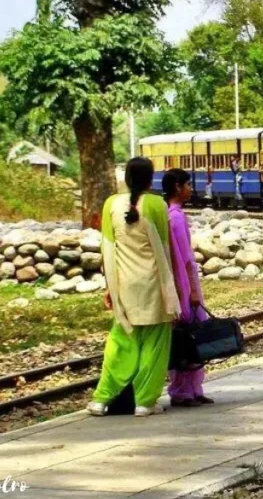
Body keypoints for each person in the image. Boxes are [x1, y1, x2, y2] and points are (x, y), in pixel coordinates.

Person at [88, 157, 180, 417]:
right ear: (151, 179)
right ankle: (144, 402)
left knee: (120, 343)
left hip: (124, 285)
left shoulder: (110, 205)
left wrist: (110, 287)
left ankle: (101, 399)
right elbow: (164, 249)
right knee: (155, 344)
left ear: (126, 178)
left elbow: (107, 249)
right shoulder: (156, 204)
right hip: (153, 285)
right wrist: (174, 289)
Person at [161, 169, 214, 408]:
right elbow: (183, 259)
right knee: (187, 337)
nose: (191, 190)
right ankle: (183, 390)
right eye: (188, 185)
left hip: (184, 282)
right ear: (177, 187)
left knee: (190, 336)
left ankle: (193, 388)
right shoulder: (176, 218)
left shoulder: (172, 216)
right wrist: (191, 290)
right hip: (184, 284)